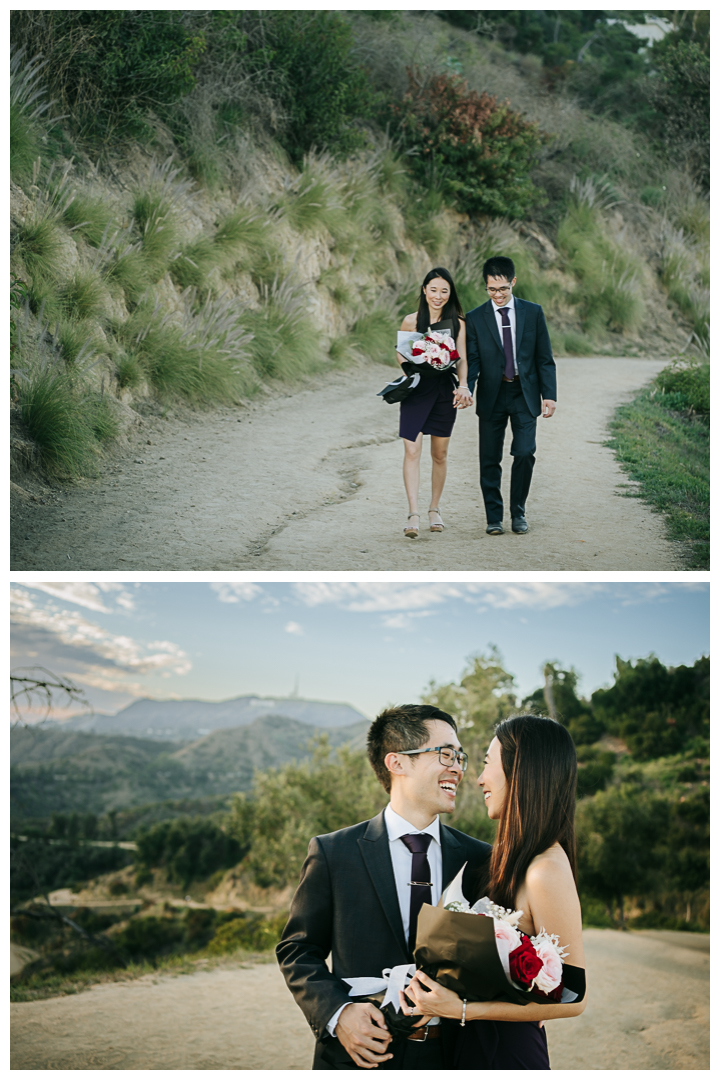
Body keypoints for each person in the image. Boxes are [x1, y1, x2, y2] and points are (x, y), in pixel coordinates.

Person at [276, 704, 491, 1069]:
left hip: (455, 1055)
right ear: (397, 763)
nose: (457, 767)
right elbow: (298, 949)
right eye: (445, 754)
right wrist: (338, 1013)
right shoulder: (333, 852)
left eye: (460, 757)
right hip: (361, 1056)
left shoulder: (480, 858)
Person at [399, 714, 587, 1069]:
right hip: (472, 1045)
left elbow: (573, 998)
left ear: (521, 772)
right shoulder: (506, 859)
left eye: (487, 764)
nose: (481, 778)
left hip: (506, 1054)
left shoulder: (545, 869)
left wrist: (463, 1010)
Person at [466, 256, 557, 535]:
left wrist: (549, 394)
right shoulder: (474, 318)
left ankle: (518, 512)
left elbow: (544, 357)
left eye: (503, 289)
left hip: (524, 393)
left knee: (525, 452)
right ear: (486, 286)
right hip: (492, 395)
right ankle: (494, 517)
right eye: (492, 290)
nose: (498, 295)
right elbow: (473, 361)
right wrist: (466, 388)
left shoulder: (533, 312)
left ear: (513, 282)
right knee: (490, 458)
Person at [396, 268, 473, 538]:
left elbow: (461, 357)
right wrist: (412, 371)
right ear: (424, 290)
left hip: (443, 391)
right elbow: (400, 353)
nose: (438, 296)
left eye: (444, 291)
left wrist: (462, 386)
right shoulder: (410, 321)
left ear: (450, 294)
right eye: (433, 290)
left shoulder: (458, 323)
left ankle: (434, 508)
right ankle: (413, 513)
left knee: (439, 455)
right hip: (416, 391)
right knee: (412, 450)